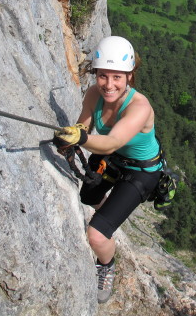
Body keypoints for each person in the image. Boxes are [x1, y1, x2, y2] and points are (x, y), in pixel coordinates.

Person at [53, 36, 163, 304]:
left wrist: (79, 139)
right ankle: (110, 212)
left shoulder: (140, 108)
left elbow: (112, 140)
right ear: (96, 74)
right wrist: (74, 134)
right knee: (87, 198)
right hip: (111, 158)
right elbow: (84, 125)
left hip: (142, 171)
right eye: (103, 76)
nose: (109, 85)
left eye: (117, 77)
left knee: (97, 235)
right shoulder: (93, 94)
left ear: (129, 76)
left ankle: (106, 265)